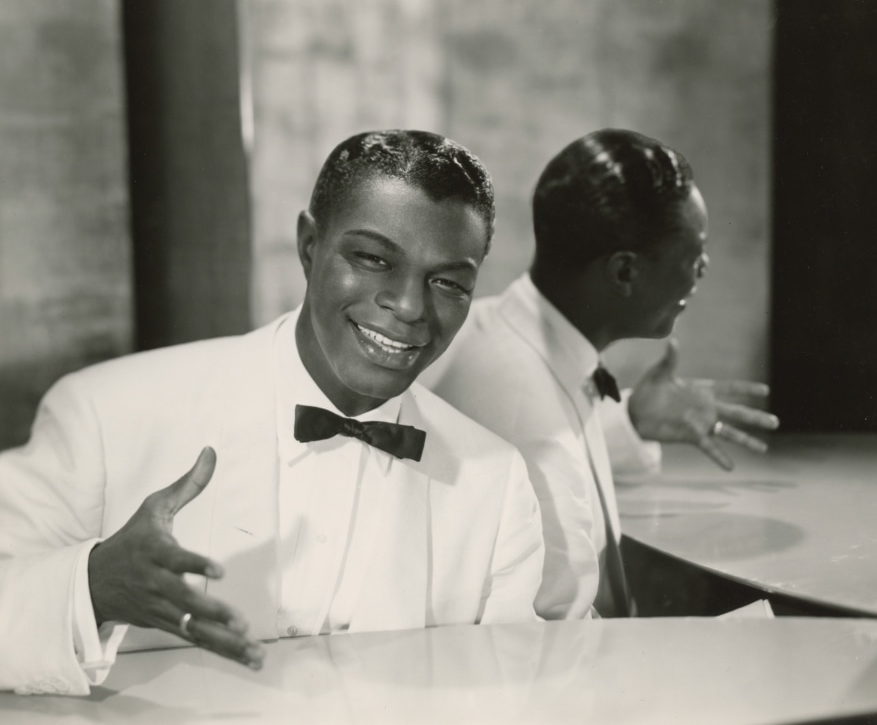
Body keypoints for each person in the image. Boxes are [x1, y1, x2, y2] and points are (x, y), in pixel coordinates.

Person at [0, 130, 545, 696]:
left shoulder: (496, 482)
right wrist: (90, 588)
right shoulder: (103, 414)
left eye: (447, 282)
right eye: (374, 259)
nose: (408, 307)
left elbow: (506, 688)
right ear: (310, 246)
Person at [422, 129, 779, 620]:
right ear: (625, 273)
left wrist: (629, 418)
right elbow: (557, 637)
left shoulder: (502, 329)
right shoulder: (528, 417)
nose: (703, 268)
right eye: (692, 254)